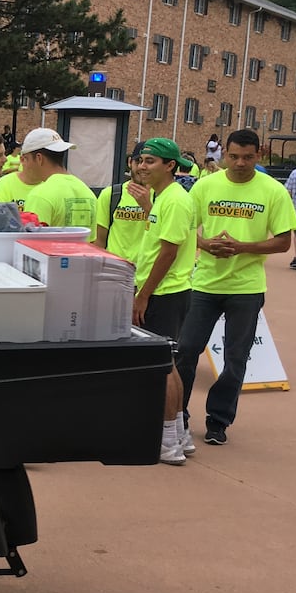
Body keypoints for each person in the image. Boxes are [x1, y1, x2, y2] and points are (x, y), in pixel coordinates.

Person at [175, 129, 296, 446]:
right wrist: (204, 243)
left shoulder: (273, 191)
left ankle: (218, 420)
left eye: (247, 157)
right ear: (224, 154)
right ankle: (179, 415)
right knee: (186, 350)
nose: (240, 163)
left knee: (235, 359)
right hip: (204, 283)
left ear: (260, 154)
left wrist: (244, 247)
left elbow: (284, 241)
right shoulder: (205, 185)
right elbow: (184, 227)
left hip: (246, 287)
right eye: (233, 156)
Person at [130, 138, 198, 464]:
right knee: (168, 363)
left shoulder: (174, 201)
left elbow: (168, 252)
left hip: (165, 293)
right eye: (141, 160)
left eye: (151, 161)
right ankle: (179, 435)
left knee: (163, 365)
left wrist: (143, 295)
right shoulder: (163, 199)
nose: (143, 166)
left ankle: (169, 438)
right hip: (165, 291)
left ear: (170, 166)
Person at [19, 128, 97, 239]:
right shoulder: (88, 193)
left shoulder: (40, 195)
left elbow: (30, 243)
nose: (24, 165)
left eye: (25, 159)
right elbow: (91, 241)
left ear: (39, 158)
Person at [94, 147, 148, 263]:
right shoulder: (111, 194)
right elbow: (100, 241)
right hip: (115, 269)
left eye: (149, 162)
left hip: (147, 271)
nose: (142, 167)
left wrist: (148, 207)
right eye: (138, 161)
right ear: (129, 162)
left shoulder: (160, 196)